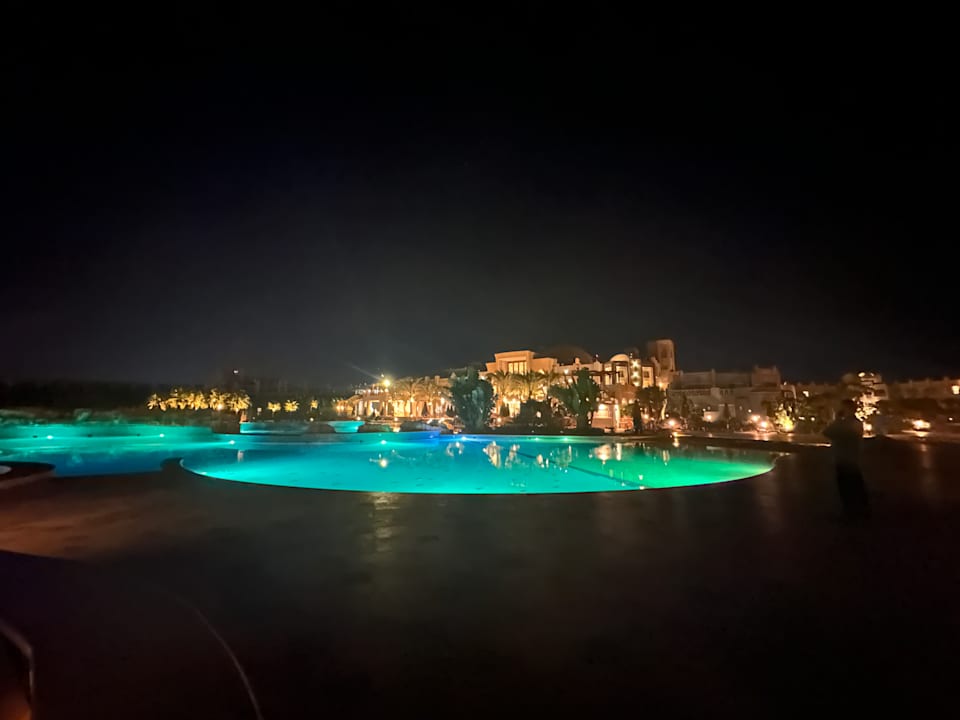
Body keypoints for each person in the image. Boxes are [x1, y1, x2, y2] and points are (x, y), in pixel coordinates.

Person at [823, 399, 869, 520]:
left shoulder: (850, 424)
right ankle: (857, 511)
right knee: (853, 486)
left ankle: (851, 513)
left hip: (845, 459)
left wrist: (837, 420)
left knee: (848, 488)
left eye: (842, 408)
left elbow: (827, 432)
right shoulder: (856, 423)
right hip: (849, 459)